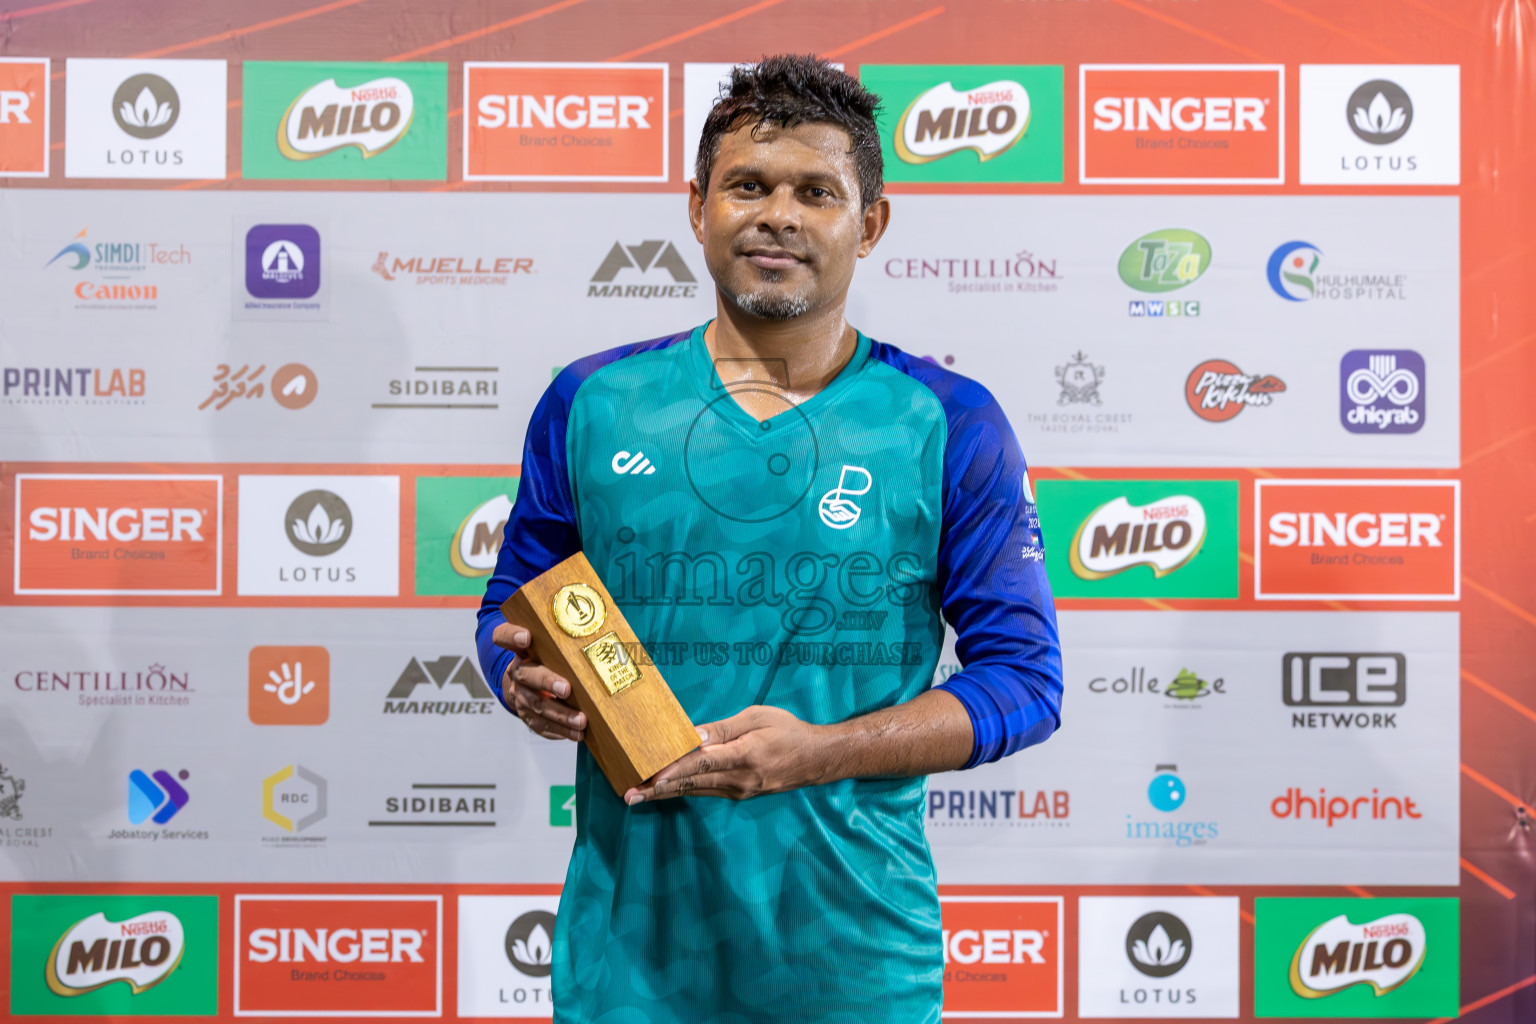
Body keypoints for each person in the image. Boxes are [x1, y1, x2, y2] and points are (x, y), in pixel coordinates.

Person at [475, 54, 1062, 1024]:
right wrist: (520, 679)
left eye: (816, 191)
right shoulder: (589, 402)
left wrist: (819, 752)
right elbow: (512, 611)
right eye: (749, 184)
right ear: (698, 206)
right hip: (627, 963)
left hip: (852, 960)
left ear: (869, 223)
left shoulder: (947, 420)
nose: (778, 214)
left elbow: (1026, 685)